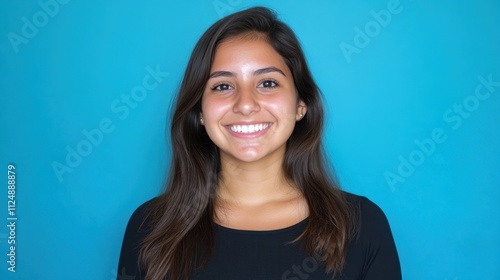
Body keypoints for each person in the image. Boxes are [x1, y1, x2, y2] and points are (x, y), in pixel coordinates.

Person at [117, 6, 401, 280]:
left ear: (301, 104)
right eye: (223, 86)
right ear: (200, 112)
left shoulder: (362, 227)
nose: (245, 104)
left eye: (267, 83)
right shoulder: (149, 227)